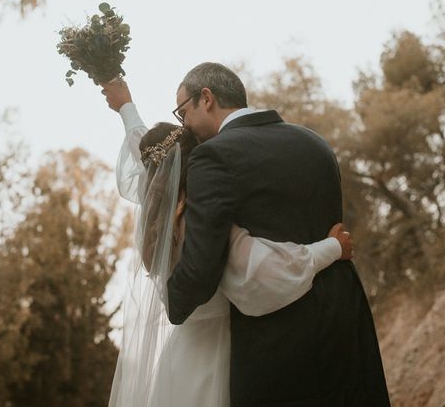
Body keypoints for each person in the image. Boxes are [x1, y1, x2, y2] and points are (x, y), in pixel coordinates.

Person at [101, 77, 354, 407]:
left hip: (181, 360)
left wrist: (126, 108)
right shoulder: (198, 220)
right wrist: (333, 248)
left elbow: (143, 152)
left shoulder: (156, 222)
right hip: (224, 356)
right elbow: (266, 269)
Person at [166, 62, 390, 406]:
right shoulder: (314, 142)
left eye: (183, 113)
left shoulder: (213, 156)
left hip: (277, 338)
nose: (186, 127)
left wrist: (172, 304)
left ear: (206, 98)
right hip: (345, 317)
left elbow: (202, 265)